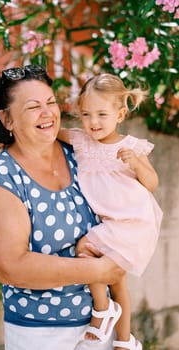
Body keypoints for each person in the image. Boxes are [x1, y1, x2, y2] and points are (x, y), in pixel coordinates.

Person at [0, 65, 124, 350]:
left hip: (101, 322)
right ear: (7, 120)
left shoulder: (80, 154)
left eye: (51, 102)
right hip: (41, 333)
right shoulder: (4, 177)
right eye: (33, 107)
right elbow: (11, 267)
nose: (47, 113)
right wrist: (99, 271)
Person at [58, 73, 163, 350]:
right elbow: (47, 131)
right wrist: (11, 141)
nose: (93, 122)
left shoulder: (130, 147)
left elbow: (152, 184)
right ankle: (125, 340)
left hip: (133, 222)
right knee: (116, 280)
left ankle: (102, 310)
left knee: (84, 248)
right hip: (111, 224)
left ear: (120, 114)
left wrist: (137, 164)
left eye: (102, 114)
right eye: (86, 114)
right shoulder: (80, 140)